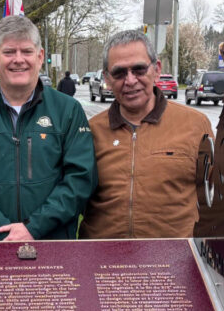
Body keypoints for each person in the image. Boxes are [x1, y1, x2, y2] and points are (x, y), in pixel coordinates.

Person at [0, 15, 95, 241]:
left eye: (26, 51)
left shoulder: (68, 111)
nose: (18, 59)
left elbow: (80, 178)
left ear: (40, 56)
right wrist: (2, 230)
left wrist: (34, 227)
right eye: (9, 52)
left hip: (52, 245)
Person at [80, 29, 213, 238]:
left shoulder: (195, 125)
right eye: (119, 72)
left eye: (139, 69)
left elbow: (217, 196)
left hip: (175, 262)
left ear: (156, 69)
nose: (130, 80)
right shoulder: (90, 131)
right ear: (106, 77)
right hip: (104, 261)